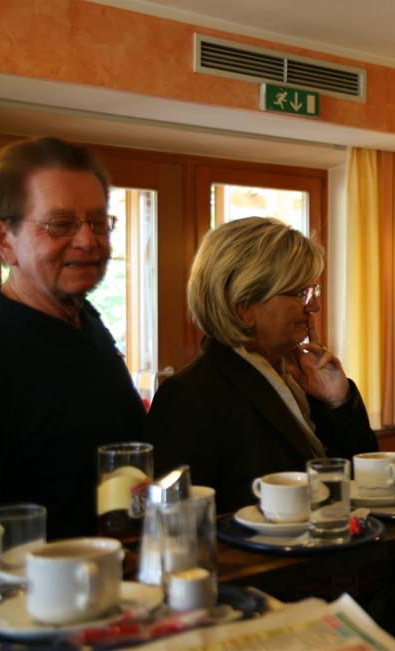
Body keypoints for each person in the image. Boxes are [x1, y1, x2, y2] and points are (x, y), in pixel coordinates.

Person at [146, 217, 377, 514]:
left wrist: (338, 402)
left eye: (312, 291)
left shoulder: (300, 380)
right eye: (299, 294)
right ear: (245, 308)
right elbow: (179, 525)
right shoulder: (190, 397)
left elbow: (364, 484)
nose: (314, 307)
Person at [0, 137, 145, 538]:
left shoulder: (87, 322)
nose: (87, 241)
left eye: (97, 222)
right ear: (4, 240)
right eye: (60, 225)